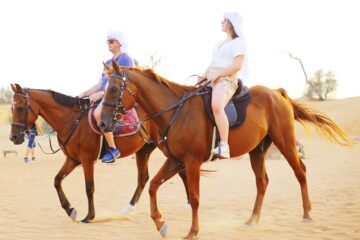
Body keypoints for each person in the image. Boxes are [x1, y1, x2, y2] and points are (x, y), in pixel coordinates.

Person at [198, 12, 248, 159]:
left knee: (216, 106)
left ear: (231, 24)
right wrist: (203, 76)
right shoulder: (219, 44)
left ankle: (224, 146)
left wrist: (219, 74)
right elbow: (213, 64)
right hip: (211, 78)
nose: (221, 22)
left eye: (224, 20)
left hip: (226, 80)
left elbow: (237, 65)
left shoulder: (238, 43)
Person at [78, 31, 134, 163]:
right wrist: (83, 94)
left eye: (111, 41)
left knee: (99, 113)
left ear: (119, 43)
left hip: (115, 96)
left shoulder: (125, 58)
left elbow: (123, 83)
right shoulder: (108, 61)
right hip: (104, 95)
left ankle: (113, 149)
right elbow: (99, 84)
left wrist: (102, 94)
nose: (108, 43)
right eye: (107, 41)